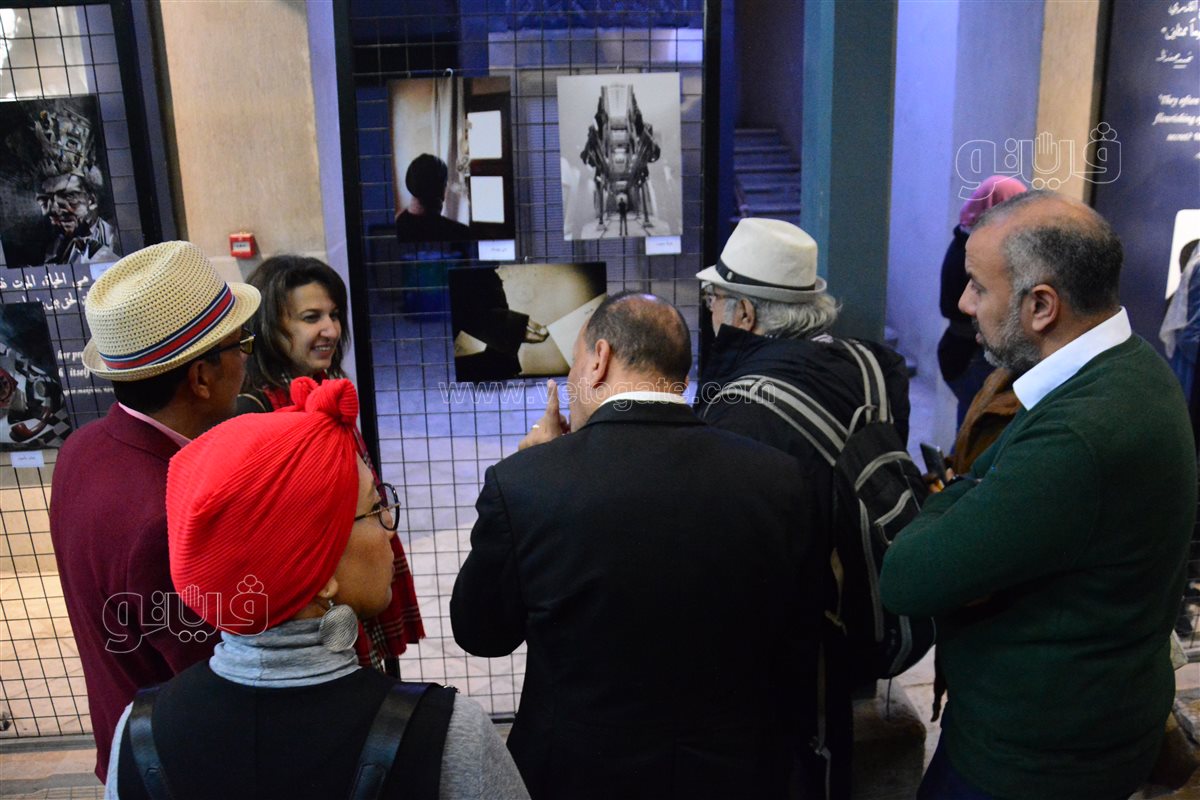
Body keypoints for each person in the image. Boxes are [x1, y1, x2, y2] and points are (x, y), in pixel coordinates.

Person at [880, 190, 1197, 800]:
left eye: (979, 286)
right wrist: (970, 489)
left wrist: (954, 493)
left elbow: (908, 577)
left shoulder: (1078, 435)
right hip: (1075, 732)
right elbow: (977, 481)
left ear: (1042, 306)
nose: (963, 302)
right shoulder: (1125, 366)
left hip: (1031, 763)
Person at [450, 292, 822, 800]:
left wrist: (539, 468)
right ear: (681, 377)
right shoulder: (779, 479)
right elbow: (797, 640)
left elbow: (481, 633)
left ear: (599, 359)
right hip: (733, 774)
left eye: (575, 362)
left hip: (576, 777)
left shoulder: (525, 485)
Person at [103, 378, 530, 800]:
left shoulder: (139, 734)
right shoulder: (445, 737)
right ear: (318, 573)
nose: (389, 528)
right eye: (374, 507)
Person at [693, 216, 911, 800]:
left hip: (783, 642)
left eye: (715, 299)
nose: (710, 311)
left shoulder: (738, 410)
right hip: (858, 612)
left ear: (744, 313)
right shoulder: (876, 368)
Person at [49, 240, 260, 780]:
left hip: (125, 744)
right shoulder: (168, 514)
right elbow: (217, 676)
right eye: (241, 345)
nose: (246, 359)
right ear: (200, 378)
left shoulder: (81, 448)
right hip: (177, 769)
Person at [236, 254, 424, 672]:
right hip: (313, 596)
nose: (331, 330)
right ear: (269, 326)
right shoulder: (253, 410)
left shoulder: (328, 388)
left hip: (356, 575)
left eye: (334, 315)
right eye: (311, 317)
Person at [938, 176, 1027, 426]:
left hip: (960, 351)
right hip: (969, 355)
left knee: (973, 425)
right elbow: (961, 310)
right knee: (976, 428)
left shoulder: (966, 239)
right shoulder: (975, 253)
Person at [395, 153, 472, 243]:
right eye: (445, 184)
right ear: (443, 190)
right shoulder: (460, 233)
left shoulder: (396, 225)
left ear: (409, 184)